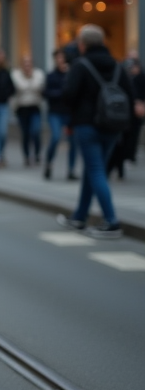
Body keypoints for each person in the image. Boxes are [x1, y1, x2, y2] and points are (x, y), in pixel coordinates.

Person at [56, 25, 135, 239]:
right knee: (94, 170)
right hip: (112, 126)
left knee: (96, 170)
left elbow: (68, 95)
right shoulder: (118, 66)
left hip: (87, 125)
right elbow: (130, 94)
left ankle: (111, 221)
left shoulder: (81, 65)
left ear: (82, 44)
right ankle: (79, 217)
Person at [43, 48, 77, 181]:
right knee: (56, 137)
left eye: (63, 58)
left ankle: (71, 169)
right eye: (58, 58)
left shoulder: (72, 75)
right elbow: (46, 93)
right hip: (55, 113)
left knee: (73, 142)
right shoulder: (51, 76)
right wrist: (60, 93)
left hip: (70, 114)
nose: (61, 61)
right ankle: (49, 163)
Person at [11, 53, 45, 168]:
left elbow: (38, 87)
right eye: (25, 63)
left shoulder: (39, 73)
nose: (27, 66)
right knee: (25, 134)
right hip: (22, 108)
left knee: (35, 131)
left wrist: (29, 83)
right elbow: (21, 86)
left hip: (35, 107)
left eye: (29, 63)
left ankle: (37, 154)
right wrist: (30, 83)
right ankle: (26, 156)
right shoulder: (16, 74)